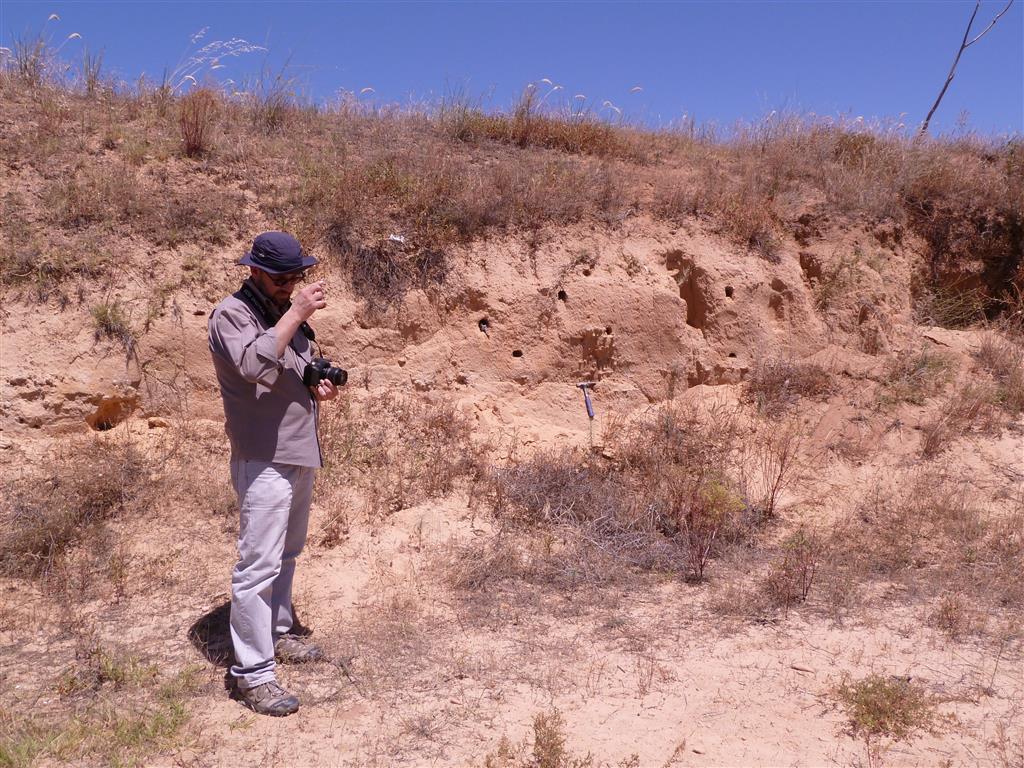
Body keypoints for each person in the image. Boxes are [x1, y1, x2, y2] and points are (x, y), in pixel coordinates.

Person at [208, 231, 340, 716]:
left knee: (287, 553)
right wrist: (297, 311)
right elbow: (250, 363)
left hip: (298, 449)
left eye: (297, 277)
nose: (291, 285)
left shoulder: (280, 313)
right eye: (282, 278)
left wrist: (316, 381)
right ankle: (253, 674)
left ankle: (277, 633)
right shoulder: (232, 314)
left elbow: (290, 362)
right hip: (262, 455)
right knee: (257, 566)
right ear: (254, 272)